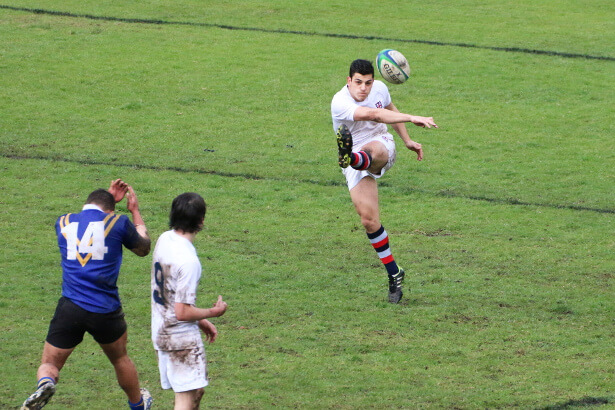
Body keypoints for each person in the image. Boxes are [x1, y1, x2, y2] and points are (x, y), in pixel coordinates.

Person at [21, 179, 153, 410]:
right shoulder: (118, 222)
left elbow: (91, 224)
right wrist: (134, 211)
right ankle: (138, 404)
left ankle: (45, 383)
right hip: (106, 310)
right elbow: (143, 248)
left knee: (50, 364)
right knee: (120, 359)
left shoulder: (62, 222)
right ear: (110, 209)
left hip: (70, 307)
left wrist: (109, 199)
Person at [331, 59, 438, 303]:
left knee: (375, 152)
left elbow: (389, 110)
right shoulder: (340, 101)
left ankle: (350, 158)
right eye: (358, 82)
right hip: (355, 150)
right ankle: (394, 273)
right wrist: (414, 116)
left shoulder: (380, 88)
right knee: (369, 221)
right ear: (349, 81)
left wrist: (407, 140)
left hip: (380, 143)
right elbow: (374, 114)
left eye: (368, 83)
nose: (364, 89)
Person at [151, 192, 228, 410]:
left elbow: (170, 293)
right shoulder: (189, 261)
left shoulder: (165, 239)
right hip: (179, 338)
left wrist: (201, 321)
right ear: (201, 221)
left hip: (161, 330)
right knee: (185, 399)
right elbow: (183, 312)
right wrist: (214, 312)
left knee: (196, 391)